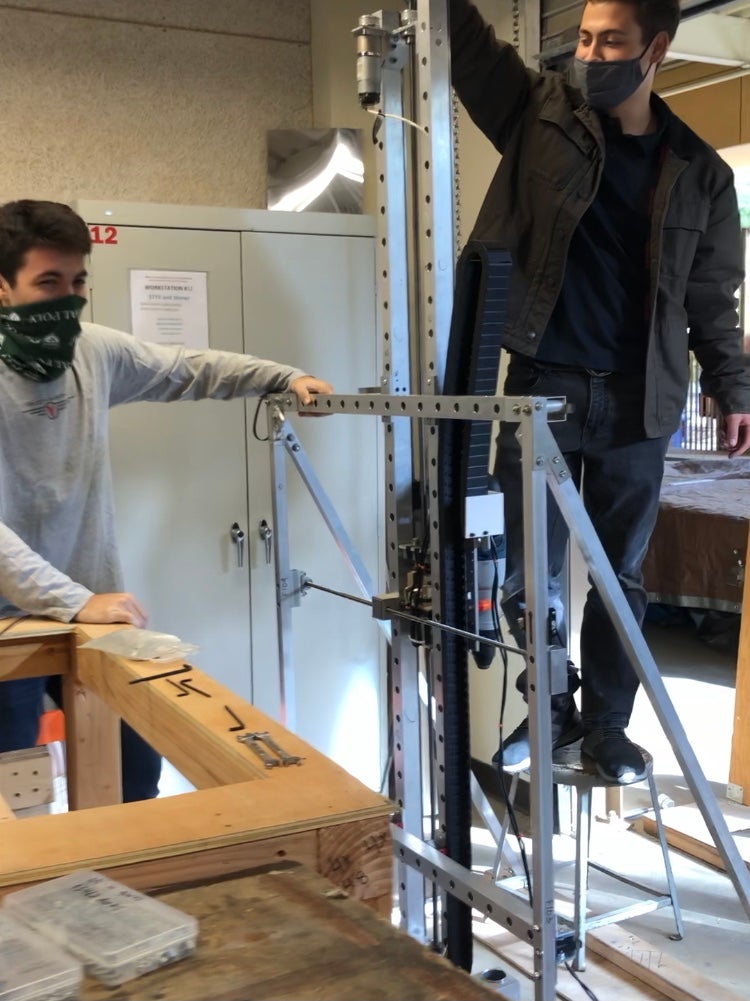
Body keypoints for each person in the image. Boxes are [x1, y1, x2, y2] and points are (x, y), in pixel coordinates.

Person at [450, 0, 750, 783]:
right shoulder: (536, 111)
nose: (589, 54)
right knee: (528, 567)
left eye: (608, 40)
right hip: (541, 385)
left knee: (621, 576)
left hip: (639, 402)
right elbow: (472, 50)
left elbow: (715, 299)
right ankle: (549, 710)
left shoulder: (702, 173)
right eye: (583, 38)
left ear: (655, 48)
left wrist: (734, 389)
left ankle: (609, 726)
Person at [0, 199, 332, 802]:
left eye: (77, 282)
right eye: (47, 282)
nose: (67, 299)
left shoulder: (93, 352)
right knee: (18, 802)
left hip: (93, 613)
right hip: (11, 625)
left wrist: (281, 377)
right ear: (2, 288)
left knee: (133, 777)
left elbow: (186, 368)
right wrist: (77, 602)